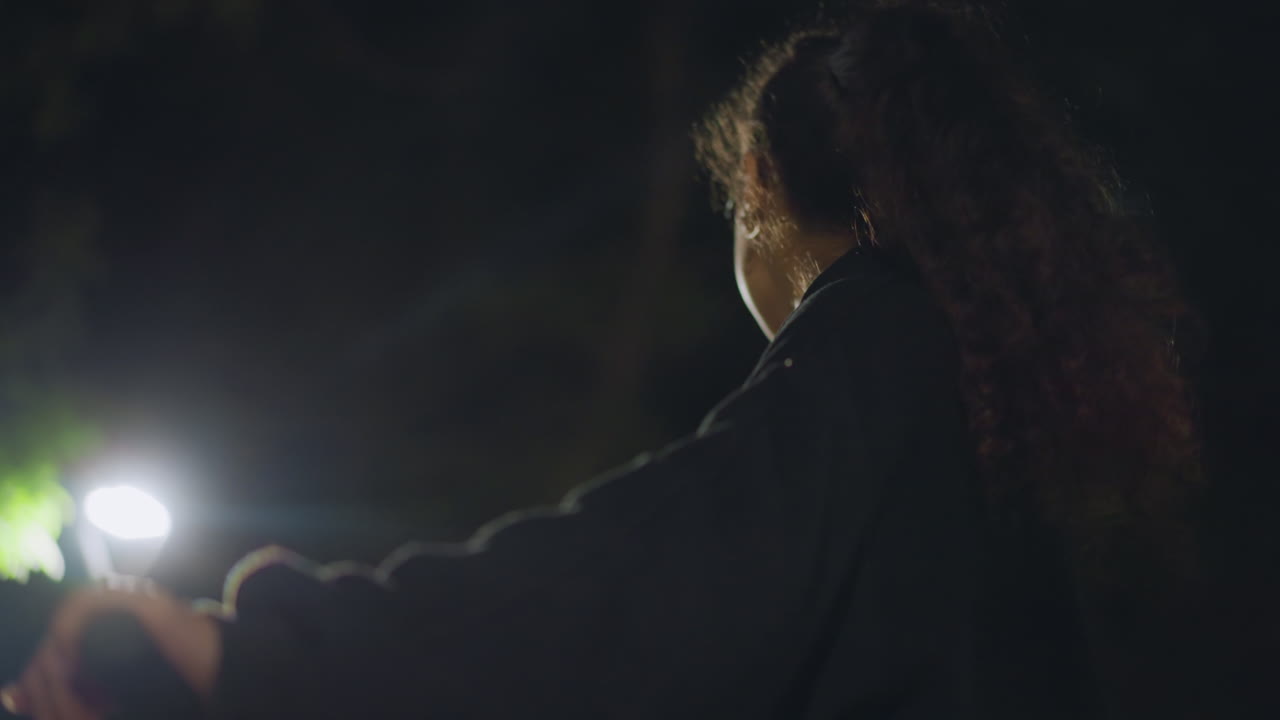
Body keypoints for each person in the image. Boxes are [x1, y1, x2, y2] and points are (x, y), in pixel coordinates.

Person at [2, 1, 1205, 718]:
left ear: (756, 184)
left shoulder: (877, 340)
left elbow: (635, 584)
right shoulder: (1003, 435)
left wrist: (261, 651)